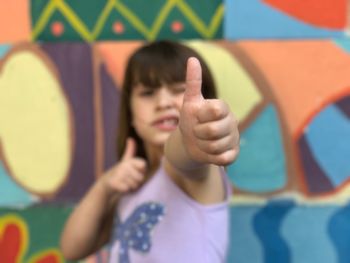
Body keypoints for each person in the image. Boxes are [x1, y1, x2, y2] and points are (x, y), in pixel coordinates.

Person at [60, 40, 240, 263]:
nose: (163, 102)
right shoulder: (130, 189)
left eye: (179, 91)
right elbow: (72, 249)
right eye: (147, 93)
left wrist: (195, 139)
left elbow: (182, 155)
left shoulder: (193, 171)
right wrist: (104, 187)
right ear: (131, 113)